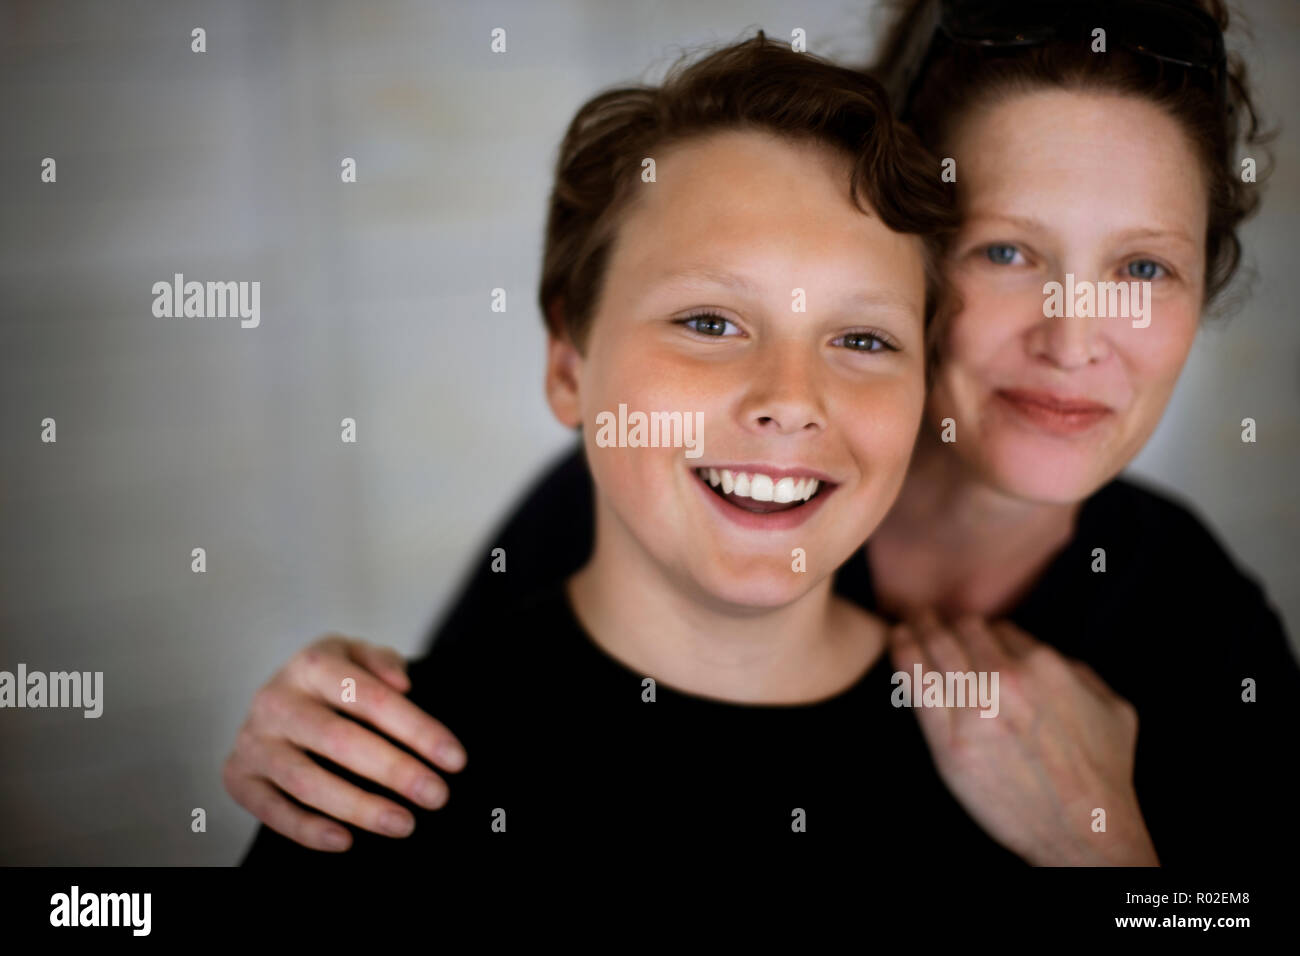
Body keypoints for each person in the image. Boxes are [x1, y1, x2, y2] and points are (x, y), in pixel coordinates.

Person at [228, 1, 1299, 867]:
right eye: (1007, 252)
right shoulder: (646, 500)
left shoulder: (1205, 623)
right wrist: (328, 724)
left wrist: (1105, 852)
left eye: (1144, 266)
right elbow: (465, 733)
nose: (1072, 339)